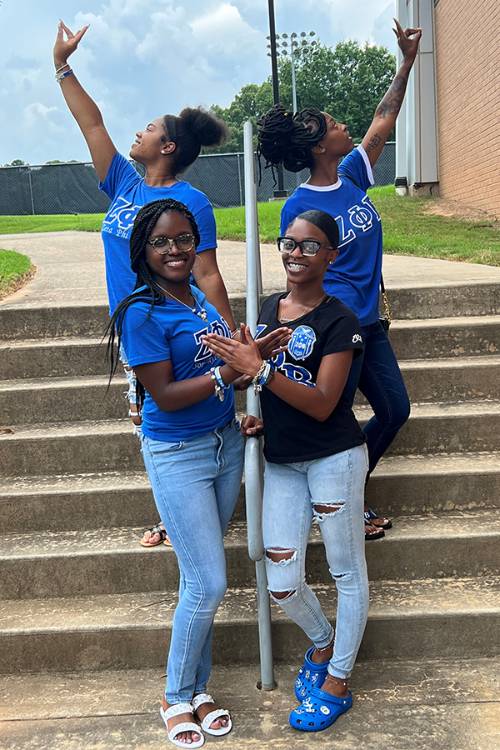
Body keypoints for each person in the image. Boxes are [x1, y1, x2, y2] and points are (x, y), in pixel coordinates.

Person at [107, 198, 290, 747]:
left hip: (224, 444)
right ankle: (173, 694)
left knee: (199, 581)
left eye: (184, 239)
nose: (175, 250)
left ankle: (198, 687)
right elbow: (163, 394)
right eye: (162, 241)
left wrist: (249, 361)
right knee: (209, 581)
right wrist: (226, 372)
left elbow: (223, 374)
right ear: (143, 249)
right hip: (177, 453)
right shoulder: (140, 311)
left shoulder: (201, 301)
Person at [53, 20, 236, 547]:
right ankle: (175, 511)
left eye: (150, 128)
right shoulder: (124, 184)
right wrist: (62, 67)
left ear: (169, 145)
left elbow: (206, 273)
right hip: (134, 323)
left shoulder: (191, 202)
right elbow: (93, 127)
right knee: (143, 416)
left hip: (168, 325)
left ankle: (178, 516)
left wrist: (231, 336)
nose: (139, 133)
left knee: (159, 413)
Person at [203, 210, 368, 734]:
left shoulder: (340, 321)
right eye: (289, 244)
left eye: (310, 246)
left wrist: (260, 370)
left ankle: (337, 680)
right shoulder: (270, 309)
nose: (296, 254)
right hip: (282, 462)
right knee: (281, 582)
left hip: (333, 459)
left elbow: (322, 404)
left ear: (332, 256)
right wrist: (260, 409)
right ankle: (322, 643)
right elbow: (269, 387)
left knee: (346, 571)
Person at [257, 19, 422, 540]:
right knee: (335, 419)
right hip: (334, 330)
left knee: (394, 409)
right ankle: (339, 507)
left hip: (368, 324)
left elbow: (384, 117)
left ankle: (348, 494)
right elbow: (296, 270)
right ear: (316, 144)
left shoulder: (352, 174)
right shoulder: (299, 207)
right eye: (333, 124)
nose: (344, 127)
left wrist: (407, 61)